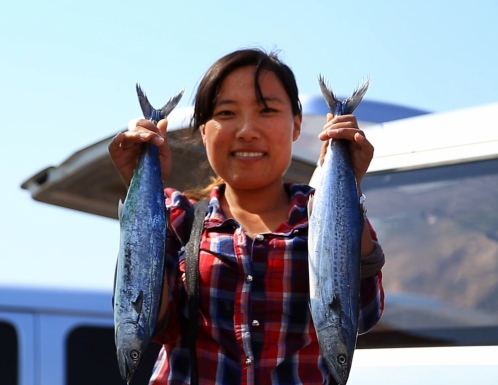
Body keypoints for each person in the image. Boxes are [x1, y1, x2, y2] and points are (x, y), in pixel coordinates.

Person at [108, 48, 385, 385]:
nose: (247, 130)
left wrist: (347, 185)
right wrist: (143, 179)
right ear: (202, 130)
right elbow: (155, 323)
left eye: (267, 110)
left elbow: (365, 312)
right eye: (226, 112)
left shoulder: (319, 218)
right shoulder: (178, 219)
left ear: (297, 125)